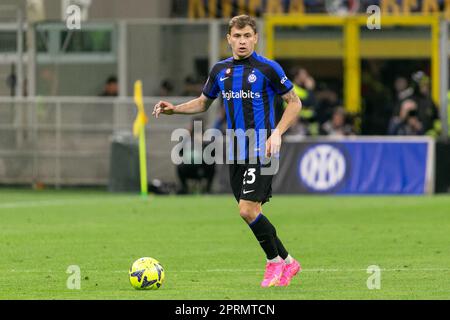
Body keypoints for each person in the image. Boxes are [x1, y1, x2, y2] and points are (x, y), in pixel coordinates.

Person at [152, 15, 302, 287]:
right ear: (229, 39)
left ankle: (274, 263)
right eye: (237, 36)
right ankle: (289, 262)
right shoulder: (220, 70)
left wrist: (277, 132)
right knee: (252, 212)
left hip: (262, 149)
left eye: (247, 36)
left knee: (246, 210)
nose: (242, 41)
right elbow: (203, 102)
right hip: (235, 151)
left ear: (255, 38)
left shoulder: (268, 69)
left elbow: (294, 103)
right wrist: (174, 108)